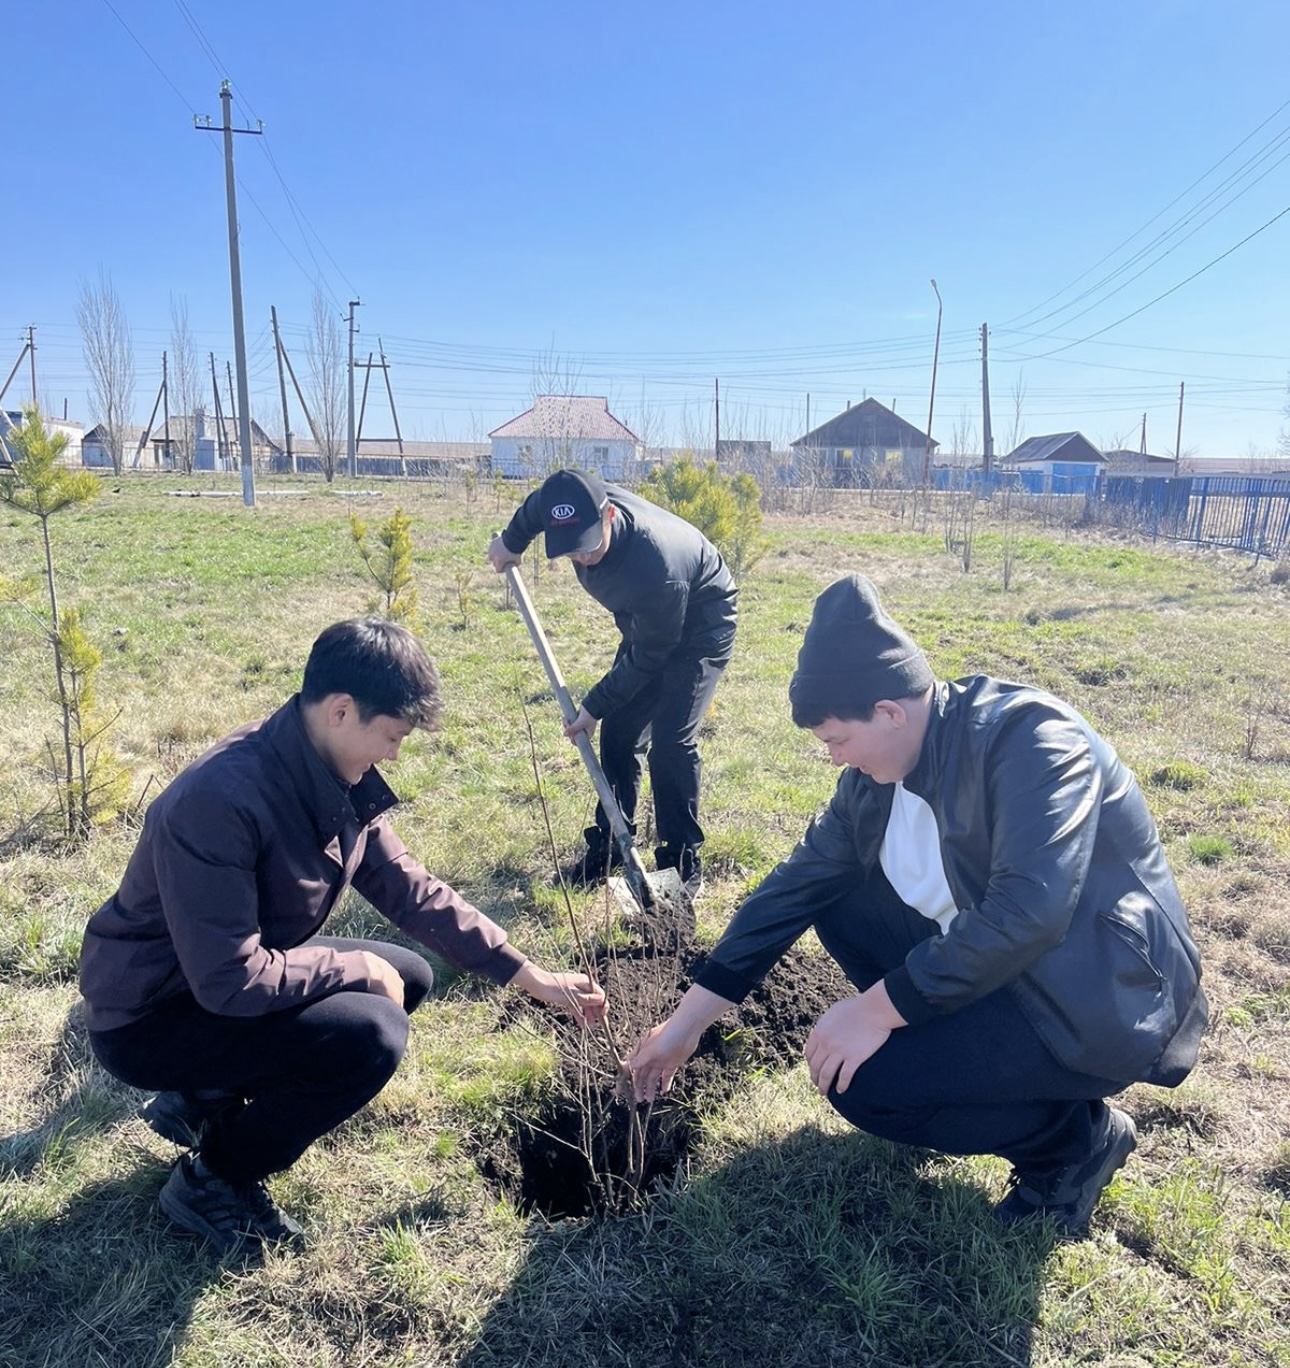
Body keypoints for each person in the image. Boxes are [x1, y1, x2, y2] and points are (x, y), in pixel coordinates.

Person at [625, 574, 1208, 1237]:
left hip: (1101, 993)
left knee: (865, 1085)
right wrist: (687, 1024)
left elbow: (1031, 912)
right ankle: (960, 1059)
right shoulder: (874, 782)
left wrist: (877, 1010)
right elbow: (792, 888)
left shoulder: (1032, 743)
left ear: (891, 712)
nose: (832, 758)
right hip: (1011, 965)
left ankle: (1075, 1143)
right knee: (833, 895)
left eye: (836, 739)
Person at [79, 618, 605, 1254]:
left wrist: (529, 975)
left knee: (408, 975)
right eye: (391, 736)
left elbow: (409, 887)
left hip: (212, 984)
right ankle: (214, 1177)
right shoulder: (217, 803)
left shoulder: (324, 772)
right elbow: (229, 980)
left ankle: (203, 1097)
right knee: (370, 1034)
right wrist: (349, 969)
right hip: (150, 1015)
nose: (394, 754)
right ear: (341, 711)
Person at [487, 467, 737, 893]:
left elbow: (653, 654)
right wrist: (510, 543)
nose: (582, 558)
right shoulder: (568, 505)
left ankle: (679, 861)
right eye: (572, 551)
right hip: (649, 623)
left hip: (700, 620)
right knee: (619, 734)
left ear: (609, 518)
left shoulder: (653, 564)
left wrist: (594, 704)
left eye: (588, 547)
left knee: (672, 741)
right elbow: (536, 508)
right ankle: (613, 846)